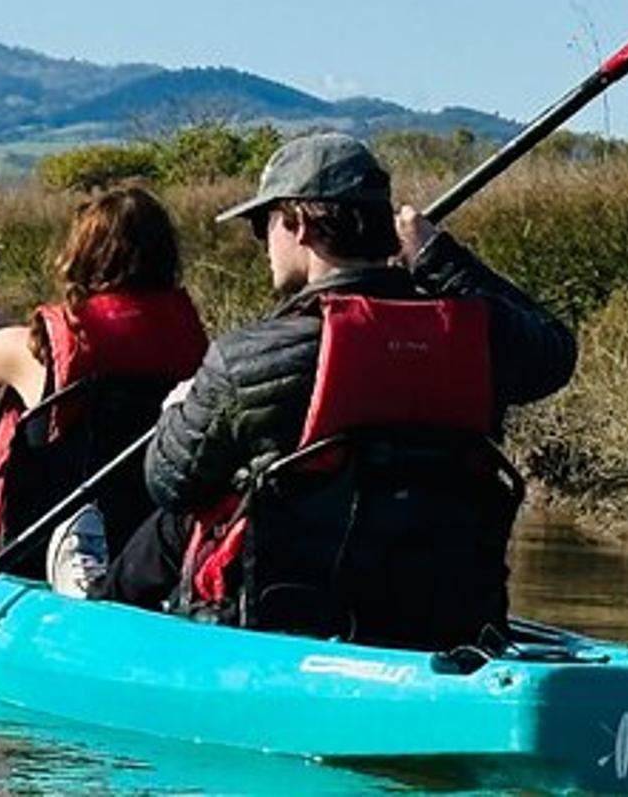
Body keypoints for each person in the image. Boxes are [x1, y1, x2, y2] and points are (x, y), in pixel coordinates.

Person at [98, 132, 577, 648]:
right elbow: (555, 350)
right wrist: (439, 256)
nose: (264, 244)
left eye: (265, 225)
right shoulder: (474, 338)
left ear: (298, 224)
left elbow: (170, 484)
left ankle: (98, 625)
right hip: (448, 619)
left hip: (286, 623)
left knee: (181, 519)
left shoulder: (247, 356)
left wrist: (176, 411)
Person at [0, 186, 209, 595]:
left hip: (20, 549)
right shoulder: (194, 350)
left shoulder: (32, 348)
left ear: (83, 257)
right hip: (132, 541)